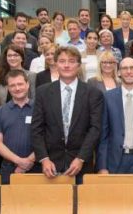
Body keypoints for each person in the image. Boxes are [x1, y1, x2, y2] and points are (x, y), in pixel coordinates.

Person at [32, 46, 104, 183]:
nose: (66, 65)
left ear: (78, 65)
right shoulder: (43, 92)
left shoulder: (93, 93)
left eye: (71, 61)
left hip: (81, 164)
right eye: (62, 61)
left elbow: (95, 128)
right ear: (55, 64)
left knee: (81, 203)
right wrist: (44, 159)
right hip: (50, 165)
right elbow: (36, 129)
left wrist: (81, 158)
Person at [0, 70, 41, 184]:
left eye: (20, 84)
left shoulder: (40, 109)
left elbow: (47, 139)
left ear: (27, 85)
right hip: (9, 169)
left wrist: (27, 162)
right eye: (12, 85)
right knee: (7, 202)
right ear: (8, 88)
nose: (17, 88)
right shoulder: (0, 112)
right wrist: (19, 161)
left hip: (37, 167)